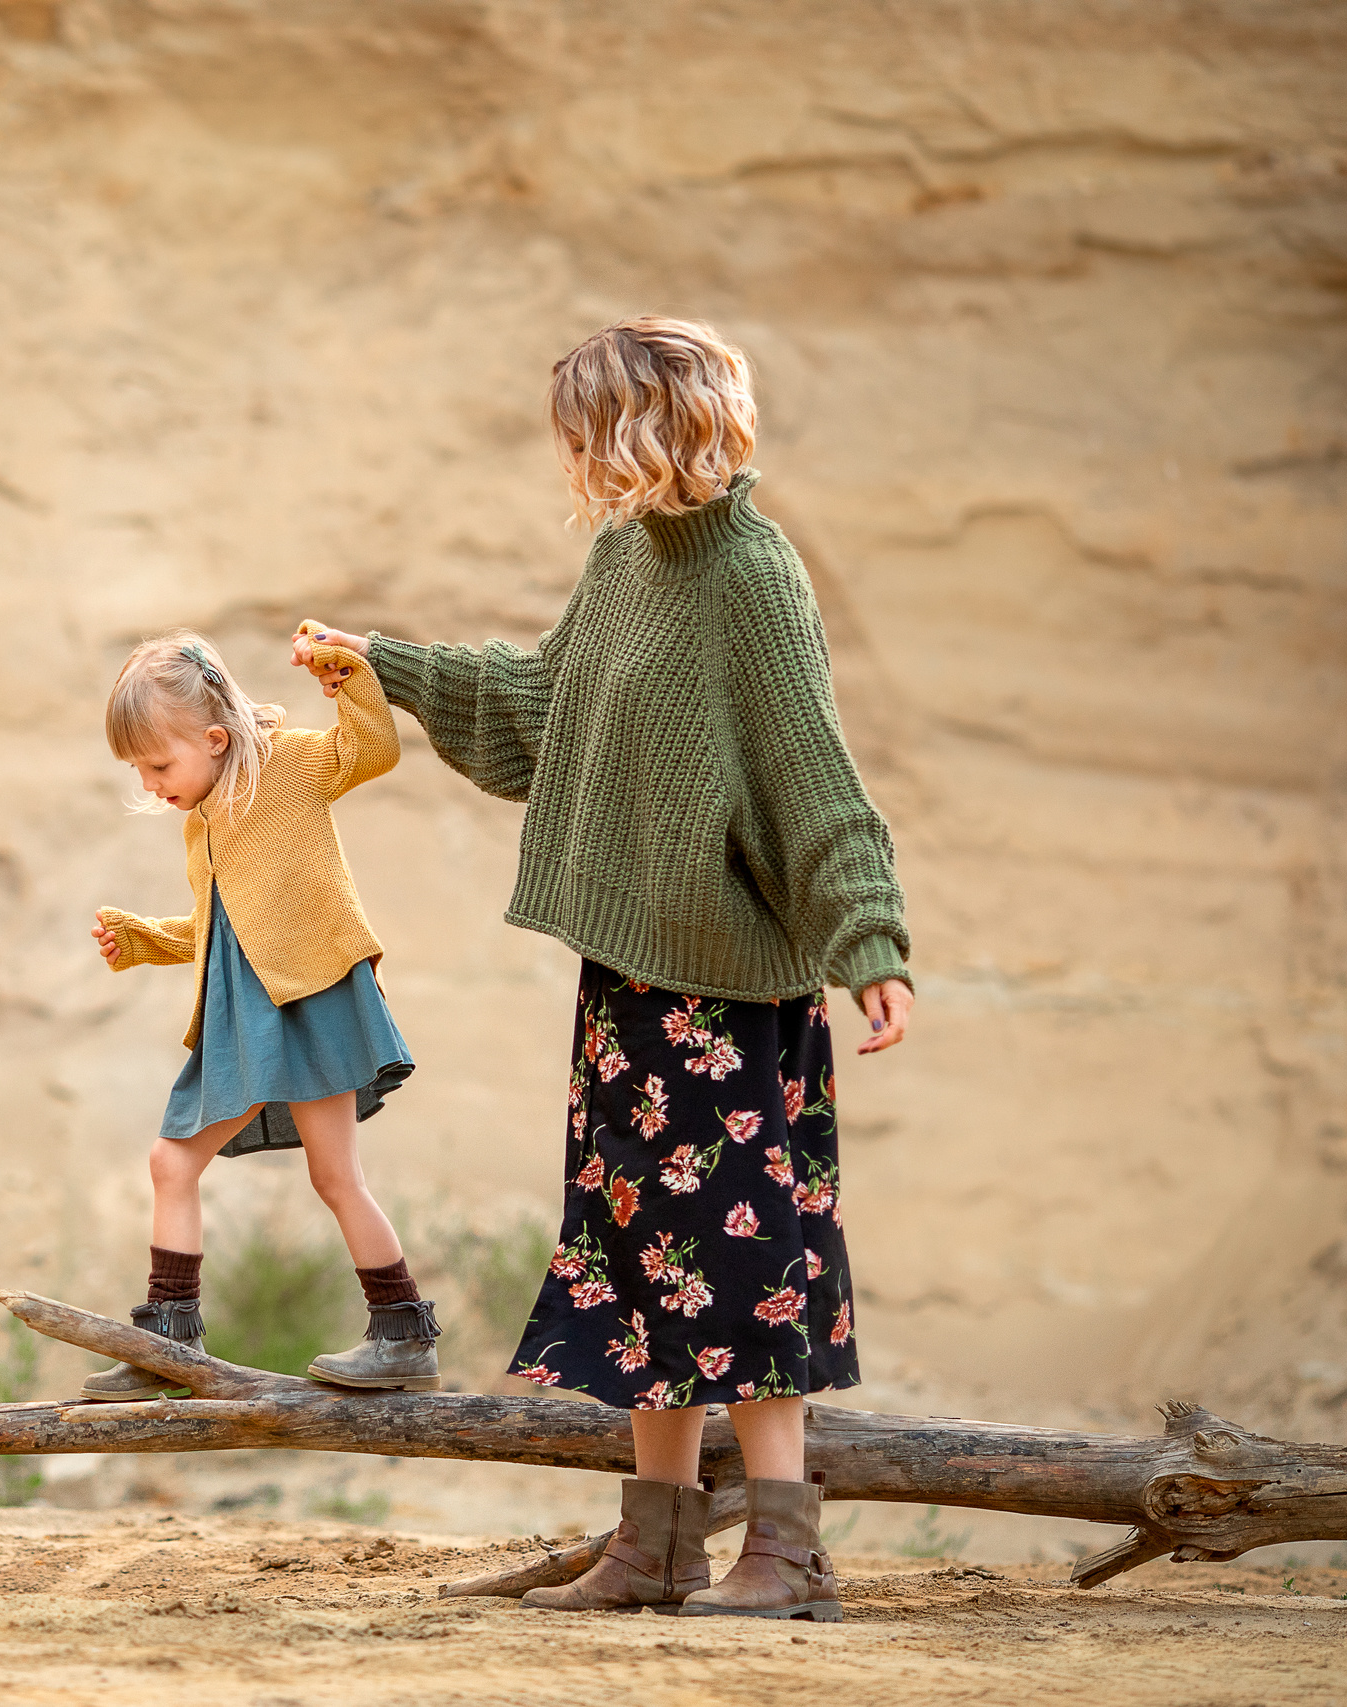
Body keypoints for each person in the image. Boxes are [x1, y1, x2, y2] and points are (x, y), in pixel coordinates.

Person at [294, 317, 912, 1622]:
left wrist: (871, 943)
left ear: (644, 428)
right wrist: (387, 664)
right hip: (631, 982)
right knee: (639, 1258)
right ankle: (658, 1545)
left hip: (733, 997)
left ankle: (788, 1554)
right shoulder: (627, 557)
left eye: (584, 430)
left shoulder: (754, 574)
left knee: (745, 1261)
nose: (570, 456)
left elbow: (816, 779)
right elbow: (538, 706)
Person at [82, 625, 438, 1400]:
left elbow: (372, 748)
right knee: (172, 1160)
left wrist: (351, 674)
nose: (149, 784)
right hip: (245, 1013)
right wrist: (146, 938)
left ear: (213, 738)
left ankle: (403, 1332)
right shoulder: (201, 821)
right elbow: (224, 927)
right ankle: (170, 1339)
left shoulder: (291, 765)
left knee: (336, 1175)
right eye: (139, 769)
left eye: (157, 764)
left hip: (312, 999)